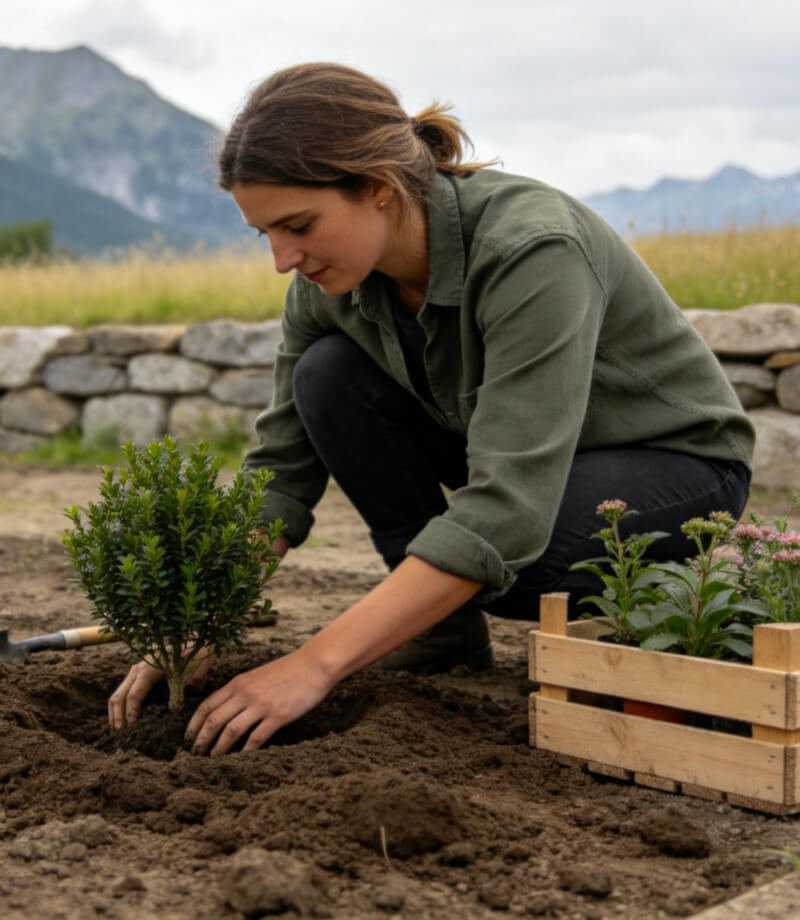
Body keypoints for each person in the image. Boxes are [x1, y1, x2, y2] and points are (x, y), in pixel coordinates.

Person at [108, 62, 754, 755]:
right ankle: (439, 635)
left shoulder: (531, 249)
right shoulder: (326, 284)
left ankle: (652, 610)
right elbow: (281, 471)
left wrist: (314, 665)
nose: (281, 258)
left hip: (673, 465)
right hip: (526, 462)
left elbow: (506, 511)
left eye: (298, 225)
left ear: (380, 190)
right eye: (264, 232)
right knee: (327, 376)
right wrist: (199, 620)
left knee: (514, 566)